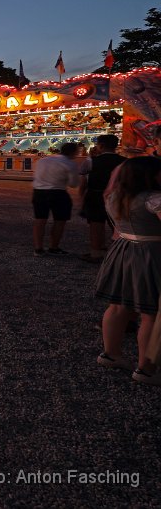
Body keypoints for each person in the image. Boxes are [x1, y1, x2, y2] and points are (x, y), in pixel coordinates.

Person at [93, 156, 161, 385]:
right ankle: (146, 369)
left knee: (118, 306)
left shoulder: (115, 197)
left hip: (123, 249)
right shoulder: (154, 199)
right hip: (151, 253)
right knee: (150, 312)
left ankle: (110, 354)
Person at [79, 134, 126, 263]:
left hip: (95, 195)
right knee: (117, 225)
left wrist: (81, 197)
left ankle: (96, 253)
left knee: (96, 224)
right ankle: (120, 253)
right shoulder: (125, 161)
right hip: (117, 196)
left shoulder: (91, 161)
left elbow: (83, 180)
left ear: (101, 146)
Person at [31, 142, 81, 256]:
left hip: (39, 192)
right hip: (58, 192)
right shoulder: (70, 163)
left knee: (40, 220)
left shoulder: (42, 160)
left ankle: (38, 248)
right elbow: (73, 184)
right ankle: (54, 247)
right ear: (73, 152)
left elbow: (36, 175)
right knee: (59, 221)